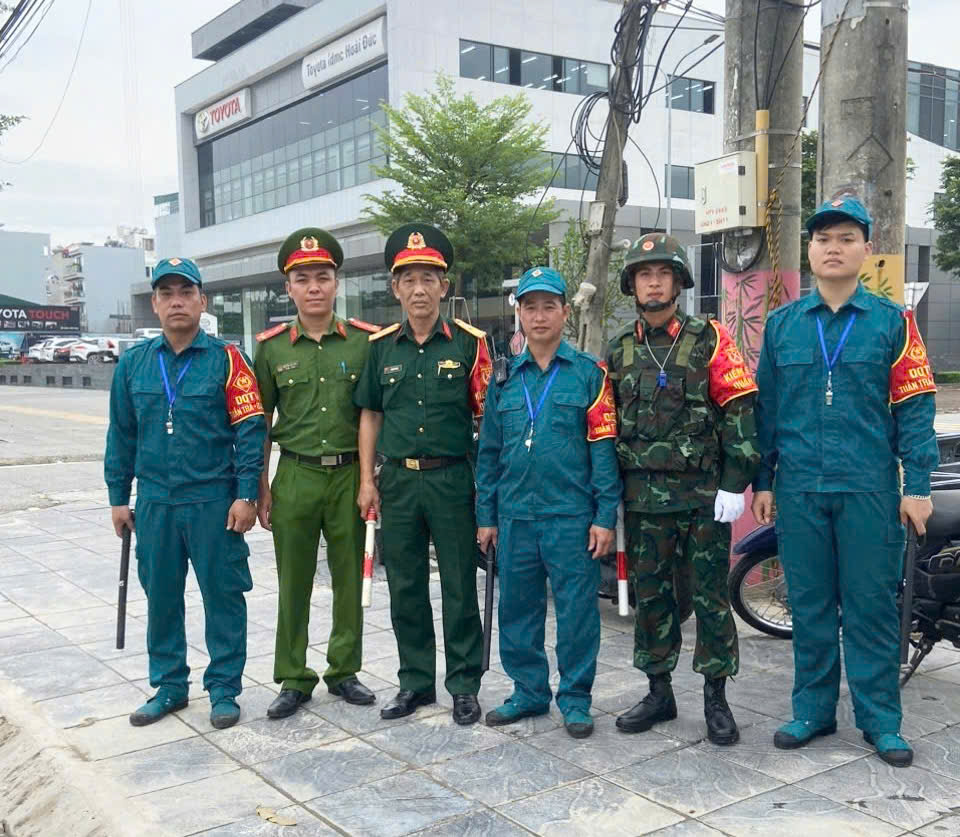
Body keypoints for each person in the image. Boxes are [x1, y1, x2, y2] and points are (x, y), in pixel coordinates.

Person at [752, 196, 938, 767]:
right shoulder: (782, 326)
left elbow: (915, 406)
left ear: (865, 249)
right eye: (823, 239)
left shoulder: (893, 324)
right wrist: (763, 480)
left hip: (868, 488)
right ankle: (812, 710)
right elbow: (767, 411)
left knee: (871, 607)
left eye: (846, 238)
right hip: (800, 489)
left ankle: (880, 720)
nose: (833, 248)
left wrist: (919, 485)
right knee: (808, 605)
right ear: (809, 251)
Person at [606, 233, 760, 746]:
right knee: (652, 598)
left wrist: (737, 482)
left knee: (712, 598)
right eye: (644, 274)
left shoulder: (709, 338)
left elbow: (740, 411)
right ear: (633, 285)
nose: (654, 282)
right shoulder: (618, 348)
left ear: (678, 282)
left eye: (663, 273)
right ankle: (658, 692)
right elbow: (606, 426)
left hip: (703, 498)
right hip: (645, 502)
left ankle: (716, 697)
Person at [104, 257, 266, 730]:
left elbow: (250, 431)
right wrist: (118, 497)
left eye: (186, 292)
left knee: (223, 596)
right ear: (154, 303)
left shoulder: (228, 359)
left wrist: (246, 494)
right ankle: (169, 685)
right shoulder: (135, 363)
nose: (177, 301)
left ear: (202, 301)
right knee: (162, 597)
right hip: (155, 503)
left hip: (213, 501)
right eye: (167, 293)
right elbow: (121, 435)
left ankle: (224, 689)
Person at [354, 223, 491, 725]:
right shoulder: (380, 347)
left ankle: (463, 685)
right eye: (408, 279)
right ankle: (414, 681)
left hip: (453, 479)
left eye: (428, 278)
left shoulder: (471, 346)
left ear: (444, 286)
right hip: (399, 483)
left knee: (458, 585)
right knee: (405, 586)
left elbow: (487, 420)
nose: (418, 289)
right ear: (395, 288)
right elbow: (370, 414)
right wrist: (367, 481)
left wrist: (487, 490)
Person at [476, 266, 621, 739]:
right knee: (518, 609)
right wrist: (487, 516)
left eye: (548, 306)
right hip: (516, 516)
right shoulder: (503, 379)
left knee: (578, 613)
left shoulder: (589, 376)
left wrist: (604, 516)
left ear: (565, 312)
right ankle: (528, 691)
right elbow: (490, 453)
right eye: (530, 306)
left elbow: (603, 451)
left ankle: (576, 699)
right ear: (519, 314)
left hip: (570, 518)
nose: (539, 316)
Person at [253, 228, 380, 720]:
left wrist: (371, 479)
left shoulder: (366, 344)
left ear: (336, 284)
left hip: (350, 474)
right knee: (294, 580)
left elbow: (373, 415)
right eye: (302, 279)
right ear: (289, 288)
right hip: (297, 475)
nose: (313, 288)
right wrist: (260, 485)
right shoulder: (271, 349)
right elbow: (261, 423)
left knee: (349, 576)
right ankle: (293, 676)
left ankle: (344, 670)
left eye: (322, 277)